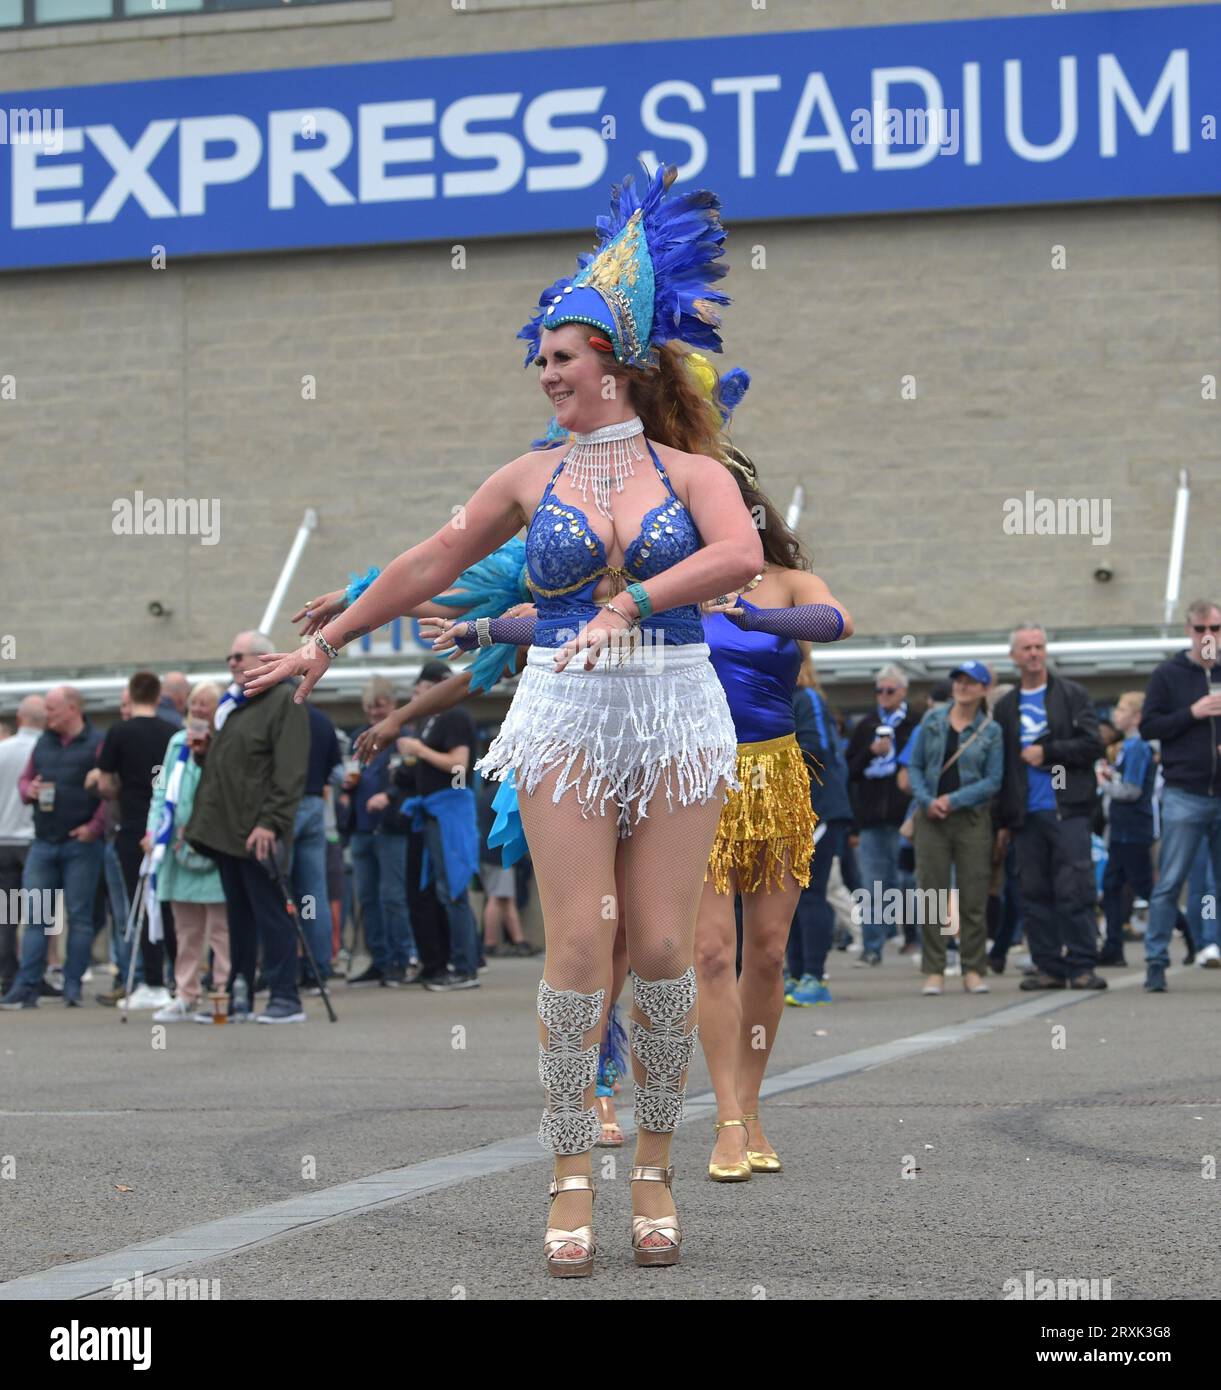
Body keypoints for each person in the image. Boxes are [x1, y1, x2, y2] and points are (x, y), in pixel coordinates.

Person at [242, 162, 764, 1275]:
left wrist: (626, 599)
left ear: (616, 363)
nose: (546, 375)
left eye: (562, 358)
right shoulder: (531, 477)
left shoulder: (689, 469)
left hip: (675, 707)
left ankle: (658, 1168)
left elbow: (740, 555)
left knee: (666, 946)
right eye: (543, 361)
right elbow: (437, 556)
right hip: (568, 712)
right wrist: (327, 641)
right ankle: (573, 1173)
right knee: (580, 942)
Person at [184, 632, 309, 1023]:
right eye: (230, 657)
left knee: (272, 915)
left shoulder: (284, 701)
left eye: (240, 656)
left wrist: (270, 823)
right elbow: (239, 769)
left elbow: (290, 772)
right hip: (228, 832)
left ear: (265, 658)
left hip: (258, 832)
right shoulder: (236, 705)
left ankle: (285, 998)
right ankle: (237, 998)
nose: (233, 663)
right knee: (238, 918)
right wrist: (207, 757)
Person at [993, 625, 1106, 991]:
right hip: (1026, 814)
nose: (1034, 653)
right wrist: (1004, 819)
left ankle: (1083, 964)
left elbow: (1093, 745)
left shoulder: (1071, 694)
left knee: (1075, 888)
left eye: (1039, 646)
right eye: (1026, 648)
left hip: (1067, 807)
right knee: (1033, 892)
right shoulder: (1005, 707)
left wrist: (1049, 752)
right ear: (1014, 656)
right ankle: (1049, 968)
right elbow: (1003, 766)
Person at [0, 687, 105, 1010]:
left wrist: (94, 827)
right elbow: (25, 781)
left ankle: (72, 984)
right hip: (42, 841)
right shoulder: (42, 743)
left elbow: (109, 788)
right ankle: (26, 985)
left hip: (80, 844)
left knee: (79, 917)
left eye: (53, 709)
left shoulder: (96, 742)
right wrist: (28, 789)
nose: (48, 715)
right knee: (35, 916)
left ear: (72, 709)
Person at [905, 662, 1004, 995]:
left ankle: (973, 969)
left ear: (984, 688)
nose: (962, 686)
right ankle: (933, 970)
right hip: (931, 818)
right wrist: (926, 799)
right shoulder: (931, 720)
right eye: (958, 680)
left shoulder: (991, 730)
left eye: (970, 682)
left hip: (971, 820)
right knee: (931, 892)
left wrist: (954, 799)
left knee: (973, 894)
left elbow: (993, 780)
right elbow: (915, 767)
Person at [1139, 599, 1221, 992]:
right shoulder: (1167, 675)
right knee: (1170, 881)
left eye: (1216, 629)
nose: (1209, 636)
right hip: (1185, 793)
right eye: (1201, 628)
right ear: (1189, 631)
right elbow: (1148, 726)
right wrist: (1192, 712)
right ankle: (1156, 961)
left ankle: (1213, 946)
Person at [141, 682, 230, 1022]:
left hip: (215, 845)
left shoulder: (224, 743)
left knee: (222, 929)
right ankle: (185, 993)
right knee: (186, 929)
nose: (199, 709)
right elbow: (160, 793)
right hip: (177, 845)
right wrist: (152, 831)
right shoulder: (176, 743)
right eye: (195, 703)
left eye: (207, 704)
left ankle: (222, 991)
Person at [91, 672, 179, 1008]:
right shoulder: (173, 733)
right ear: (159, 697)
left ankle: (153, 980)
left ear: (131, 695)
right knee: (168, 903)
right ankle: (176, 979)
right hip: (164, 827)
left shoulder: (119, 732)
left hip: (133, 827)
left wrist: (122, 788)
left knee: (140, 904)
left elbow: (104, 783)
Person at [398, 661, 481, 991]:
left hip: (451, 809)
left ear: (437, 685)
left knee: (455, 889)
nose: (418, 698)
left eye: (421, 691)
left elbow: (459, 766)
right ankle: (450, 961)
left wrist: (418, 750)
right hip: (432, 811)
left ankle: (465, 967)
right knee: (440, 891)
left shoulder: (454, 716)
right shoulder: (429, 721)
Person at [787, 657, 852, 1005]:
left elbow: (816, 750)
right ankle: (795, 973)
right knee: (790, 897)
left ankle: (814, 975)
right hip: (795, 812)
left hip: (819, 809)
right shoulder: (782, 698)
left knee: (810, 893)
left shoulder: (807, 698)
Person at [345, 678, 417, 988]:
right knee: (367, 898)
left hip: (390, 828)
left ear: (393, 705)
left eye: (381, 705)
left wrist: (388, 795)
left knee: (392, 896)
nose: (375, 712)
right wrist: (346, 787)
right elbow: (348, 771)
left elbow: (409, 777)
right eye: (370, 707)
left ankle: (402, 960)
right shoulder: (356, 737)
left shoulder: (403, 736)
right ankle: (379, 959)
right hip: (361, 828)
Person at [846, 664, 920, 963]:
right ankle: (872, 947)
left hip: (905, 816)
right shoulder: (866, 725)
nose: (884, 696)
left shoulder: (914, 723)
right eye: (879, 691)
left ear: (903, 692)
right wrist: (870, 752)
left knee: (908, 882)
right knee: (873, 885)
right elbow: (849, 769)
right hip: (871, 817)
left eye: (890, 691)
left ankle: (915, 939)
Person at [1097, 691, 1156, 968]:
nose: (1115, 715)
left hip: (1132, 831)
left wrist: (1103, 782)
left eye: (1121, 710)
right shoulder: (1129, 747)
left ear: (1136, 717)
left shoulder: (1136, 747)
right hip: (1122, 830)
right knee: (1112, 885)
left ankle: (1189, 934)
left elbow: (1132, 790)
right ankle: (1113, 945)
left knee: (1145, 887)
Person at [291, 701, 342, 986]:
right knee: (314, 892)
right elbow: (337, 774)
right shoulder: (323, 721)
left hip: (285, 805)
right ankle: (319, 965)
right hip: (315, 806)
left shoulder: (280, 717)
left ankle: (285, 965)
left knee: (279, 889)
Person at [0, 696, 46, 998]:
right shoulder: (45, 750)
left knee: (7, 914)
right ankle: (38, 974)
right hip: (33, 839)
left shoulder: (2, 750)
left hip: (3, 838)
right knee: (42, 912)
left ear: (19, 718)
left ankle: (7, 973)